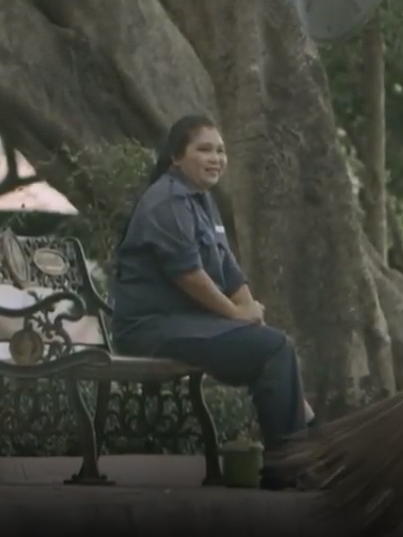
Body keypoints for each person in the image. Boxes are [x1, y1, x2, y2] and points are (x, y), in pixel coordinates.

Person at [110, 114, 314, 490]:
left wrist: (251, 319)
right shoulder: (166, 201)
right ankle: (291, 467)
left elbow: (230, 271)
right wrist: (238, 315)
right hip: (151, 329)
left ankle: (303, 452)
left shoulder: (201, 201)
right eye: (204, 149)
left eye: (220, 150)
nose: (216, 158)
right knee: (275, 349)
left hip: (190, 324)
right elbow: (188, 276)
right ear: (176, 156)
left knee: (271, 345)